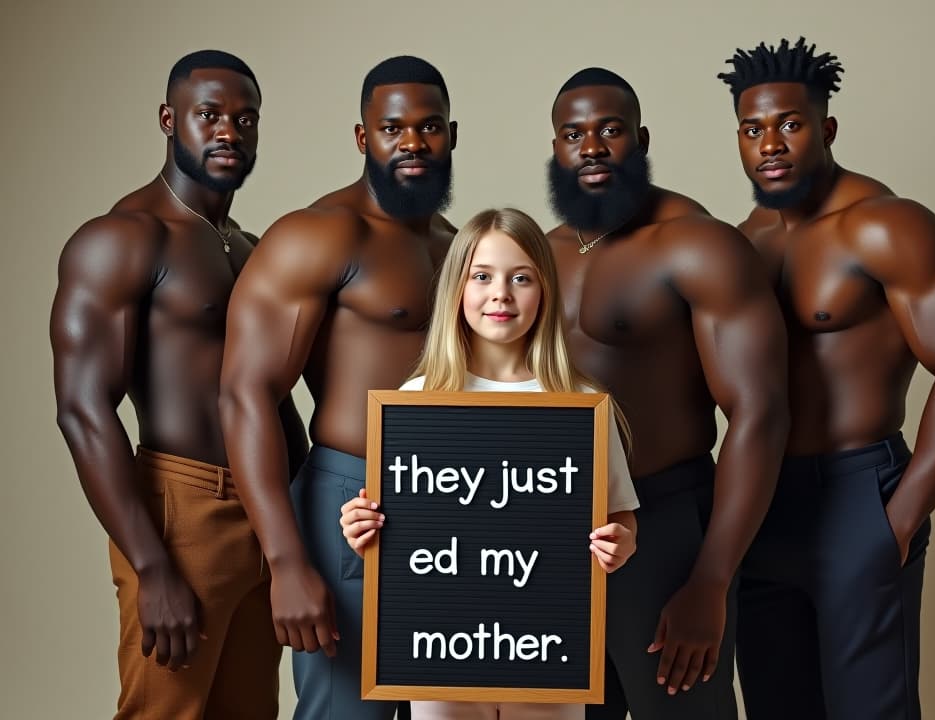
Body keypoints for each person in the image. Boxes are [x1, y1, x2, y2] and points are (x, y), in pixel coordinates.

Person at [718, 37, 935, 720]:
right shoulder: (743, 240)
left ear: (826, 127)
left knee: (870, 710)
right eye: (753, 129)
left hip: (857, 491)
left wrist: (898, 520)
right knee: (775, 706)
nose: (771, 144)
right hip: (762, 496)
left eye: (789, 123)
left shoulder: (885, 226)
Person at [51, 50, 308, 719]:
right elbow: (83, 410)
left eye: (246, 118)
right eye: (210, 115)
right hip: (182, 510)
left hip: (268, 509)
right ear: (170, 120)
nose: (230, 131)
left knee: (250, 711)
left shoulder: (247, 245)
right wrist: (151, 565)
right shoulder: (125, 238)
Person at [545, 68, 790, 720]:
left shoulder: (697, 244)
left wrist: (710, 579)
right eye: (574, 134)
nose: (591, 146)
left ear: (641, 139)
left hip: (665, 523)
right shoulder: (539, 255)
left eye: (610, 130)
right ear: (556, 148)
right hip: (557, 527)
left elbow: (759, 413)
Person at [218, 55, 457, 720]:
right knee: (346, 709)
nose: (412, 142)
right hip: (356, 498)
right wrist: (287, 560)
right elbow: (245, 393)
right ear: (363, 138)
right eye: (393, 127)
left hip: (456, 504)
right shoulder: (320, 234)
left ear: (452, 134)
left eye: (429, 126)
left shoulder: (458, 245)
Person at [341, 207, 639, 720]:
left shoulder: (579, 403)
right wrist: (361, 526)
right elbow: (397, 526)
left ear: (544, 292)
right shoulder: (417, 403)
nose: (500, 294)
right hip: (441, 657)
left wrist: (622, 543)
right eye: (482, 276)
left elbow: (621, 517)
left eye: (521, 278)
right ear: (457, 289)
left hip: (547, 653)